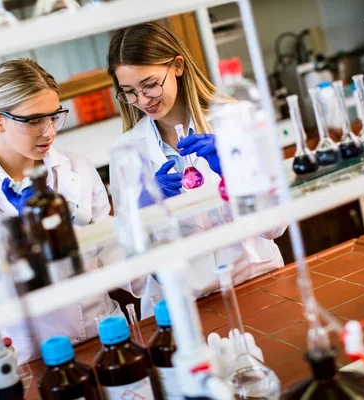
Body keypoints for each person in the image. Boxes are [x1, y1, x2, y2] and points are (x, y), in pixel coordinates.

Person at [0, 59, 154, 364]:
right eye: (34, 120)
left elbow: (116, 254)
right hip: (33, 356)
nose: (49, 131)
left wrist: (165, 265)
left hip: (104, 334)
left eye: (54, 117)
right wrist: (24, 236)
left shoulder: (76, 166)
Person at [107, 22, 287, 305]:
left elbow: (276, 226)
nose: (141, 100)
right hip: (183, 304)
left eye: (150, 85)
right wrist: (145, 212)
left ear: (177, 66)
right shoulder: (125, 151)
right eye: (128, 91)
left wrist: (233, 173)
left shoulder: (235, 118)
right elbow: (134, 276)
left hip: (255, 283)